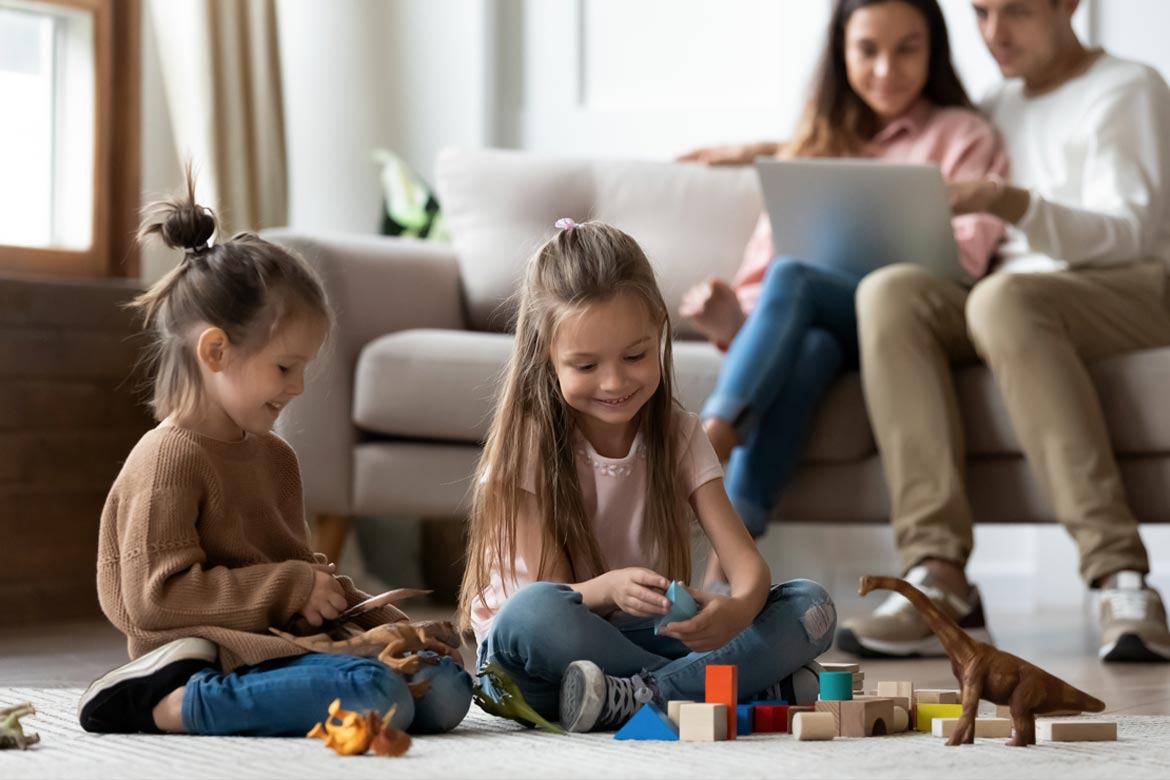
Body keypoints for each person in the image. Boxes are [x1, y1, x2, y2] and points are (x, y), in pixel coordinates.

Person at [77, 173, 473, 736]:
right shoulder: (168, 460)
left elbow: (305, 578)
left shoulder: (274, 458)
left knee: (445, 690)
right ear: (216, 350)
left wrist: (393, 627)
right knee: (377, 693)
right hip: (207, 657)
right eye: (285, 367)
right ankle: (160, 704)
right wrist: (291, 587)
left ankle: (332, 683)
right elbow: (154, 600)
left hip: (275, 643)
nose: (299, 386)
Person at [840, 0, 1170, 663]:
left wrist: (1008, 201)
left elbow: (1130, 232)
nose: (993, 34)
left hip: (1128, 284)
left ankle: (1121, 577)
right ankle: (939, 575)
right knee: (889, 292)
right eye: (982, 12)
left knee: (1004, 300)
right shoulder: (996, 102)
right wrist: (754, 152)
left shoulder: (1127, 88)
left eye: (1015, 11)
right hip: (1011, 296)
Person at [458, 218, 837, 734]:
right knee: (533, 614)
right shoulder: (528, 446)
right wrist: (608, 588)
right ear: (546, 357)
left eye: (635, 356)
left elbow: (748, 567)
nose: (614, 382)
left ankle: (644, 696)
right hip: (535, 662)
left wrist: (736, 609)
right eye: (586, 366)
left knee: (809, 606)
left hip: (629, 644)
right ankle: (728, 687)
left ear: (660, 329)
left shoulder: (679, 434)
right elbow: (538, 599)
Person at [678, 0, 1008, 588]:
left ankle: (709, 443)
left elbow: (963, 259)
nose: (887, 70)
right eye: (868, 50)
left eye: (907, 48)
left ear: (933, 51)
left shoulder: (965, 136)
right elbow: (762, 277)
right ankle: (727, 571)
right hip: (827, 331)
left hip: (915, 324)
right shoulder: (812, 145)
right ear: (841, 54)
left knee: (796, 276)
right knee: (809, 350)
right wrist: (732, 318)